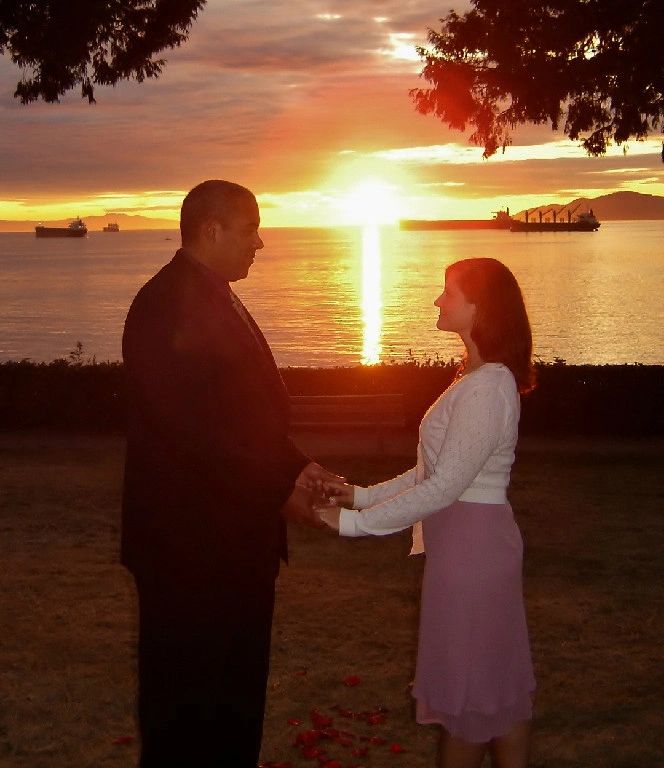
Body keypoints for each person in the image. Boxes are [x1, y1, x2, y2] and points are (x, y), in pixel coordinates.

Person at [121, 179, 341, 768]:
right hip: (188, 553)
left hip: (232, 548)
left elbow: (243, 417)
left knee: (234, 704)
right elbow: (193, 433)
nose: (261, 243)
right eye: (250, 230)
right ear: (210, 230)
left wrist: (301, 466)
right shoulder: (164, 306)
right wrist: (280, 492)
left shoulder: (214, 294)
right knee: (187, 715)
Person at [319, 258, 537, 768]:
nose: (438, 301)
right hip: (467, 545)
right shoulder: (476, 377)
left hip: (473, 554)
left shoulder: (488, 386)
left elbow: (443, 486)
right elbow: (431, 474)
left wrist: (352, 524)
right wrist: (361, 496)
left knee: (473, 688)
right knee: (492, 683)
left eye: (449, 293)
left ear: (481, 308)